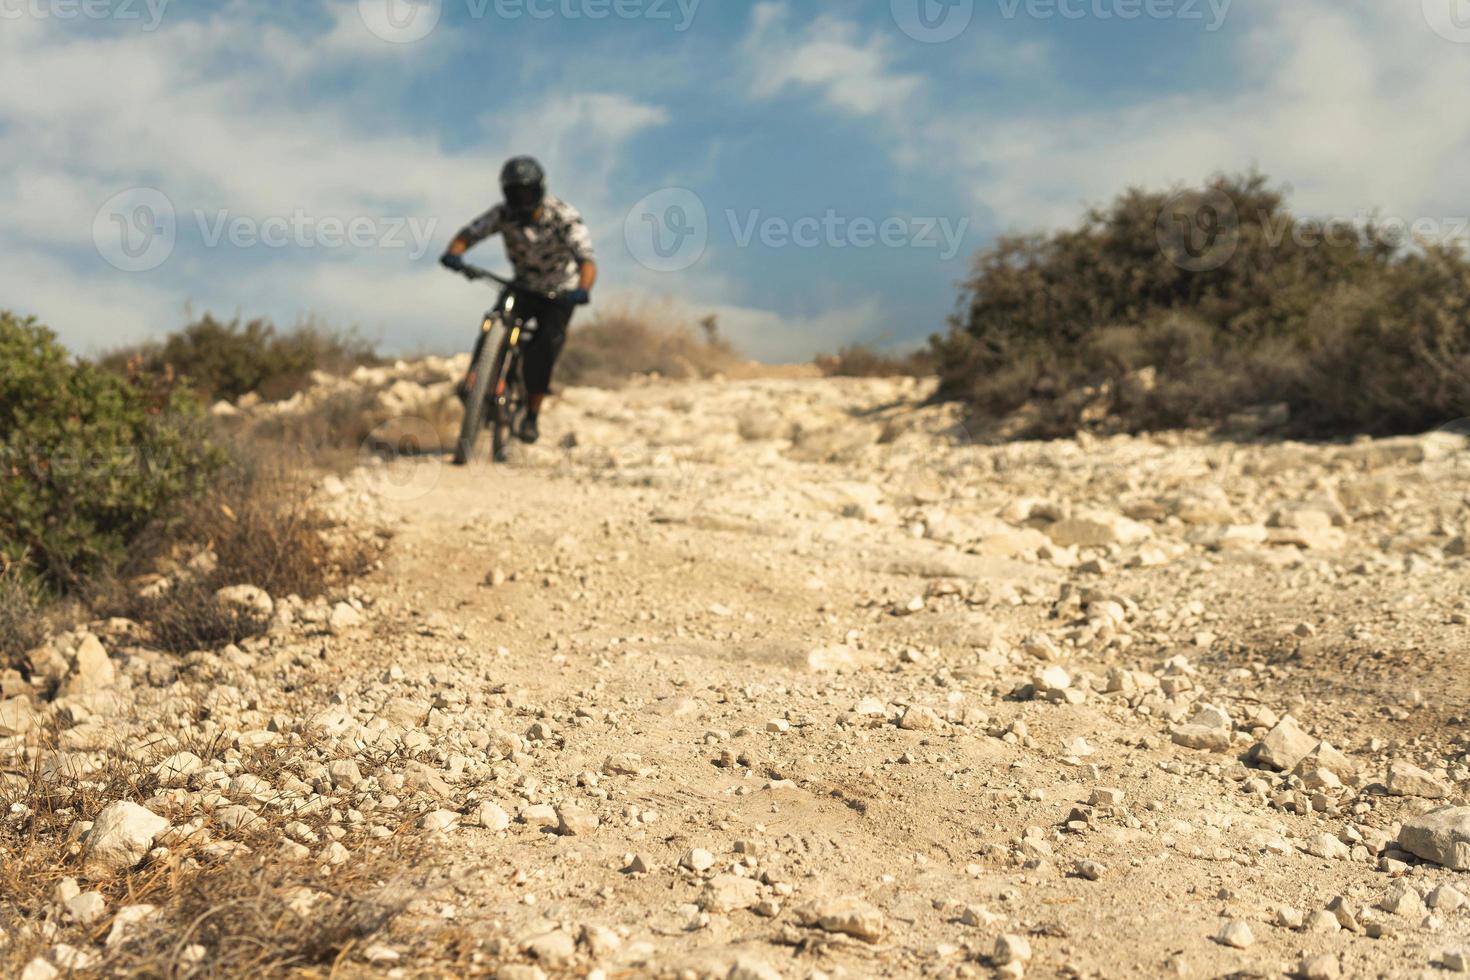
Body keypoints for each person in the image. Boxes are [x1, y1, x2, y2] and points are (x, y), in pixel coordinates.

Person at [440, 156, 597, 444]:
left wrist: (582, 290)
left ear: (539, 190)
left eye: (527, 192)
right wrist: (454, 254)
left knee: (544, 349)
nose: (522, 199)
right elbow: (469, 234)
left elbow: (586, 261)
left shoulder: (564, 217)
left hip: (559, 292)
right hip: (523, 286)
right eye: (515, 193)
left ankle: (532, 417)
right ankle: (474, 382)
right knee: (494, 320)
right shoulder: (503, 215)